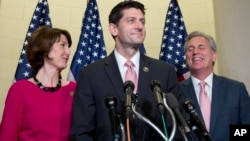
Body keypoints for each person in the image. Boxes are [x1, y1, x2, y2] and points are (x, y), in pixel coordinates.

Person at [70, 1, 185, 141]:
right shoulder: (91, 74)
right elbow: (81, 132)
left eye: (142, 21)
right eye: (131, 21)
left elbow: (177, 126)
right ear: (114, 29)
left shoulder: (164, 71)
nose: (140, 26)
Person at [0, 26, 77, 141]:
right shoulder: (20, 90)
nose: (68, 52)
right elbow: (7, 135)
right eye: (62, 45)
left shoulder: (74, 89)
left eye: (68, 47)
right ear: (45, 47)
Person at [180, 30, 250, 141]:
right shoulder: (175, 92)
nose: (195, 52)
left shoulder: (236, 90)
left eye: (201, 47)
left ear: (214, 56)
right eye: (190, 49)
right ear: (186, 58)